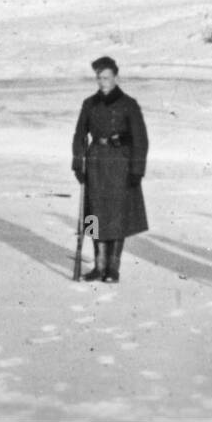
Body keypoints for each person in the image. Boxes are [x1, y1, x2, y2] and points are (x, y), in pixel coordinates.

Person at [71, 56, 149, 283]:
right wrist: (78, 163)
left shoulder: (128, 104)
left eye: (106, 77)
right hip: (95, 163)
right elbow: (79, 135)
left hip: (119, 164)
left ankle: (113, 268)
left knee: (116, 217)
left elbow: (140, 139)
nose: (102, 81)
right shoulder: (89, 104)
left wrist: (137, 169)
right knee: (93, 215)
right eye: (99, 77)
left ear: (116, 77)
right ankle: (99, 265)